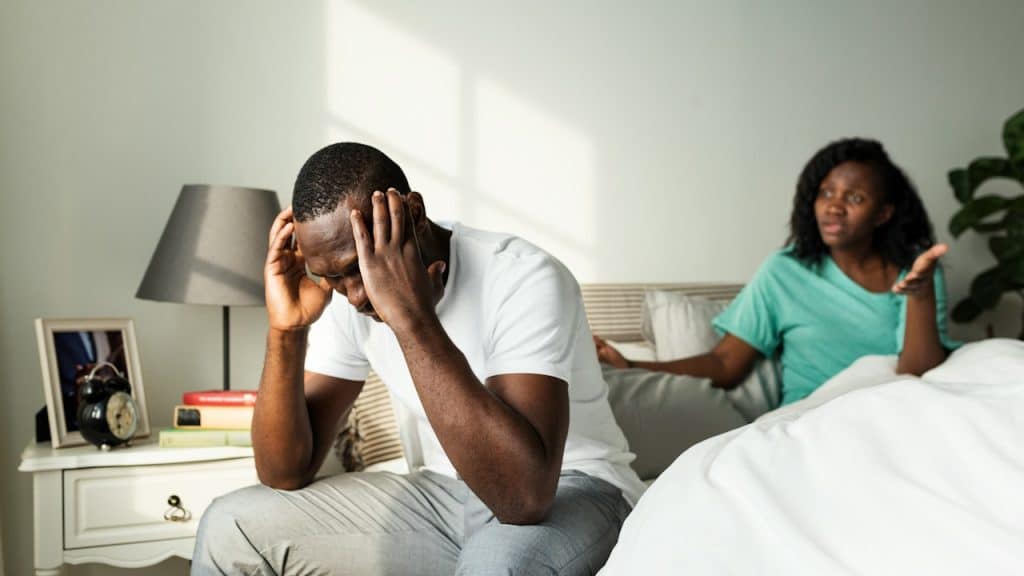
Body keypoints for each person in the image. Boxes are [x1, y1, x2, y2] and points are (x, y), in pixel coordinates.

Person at [192, 142, 644, 575]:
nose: (353, 295)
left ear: (414, 213)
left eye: (357, 268)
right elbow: (284, 471)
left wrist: (411, 318)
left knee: (498, 565)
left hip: (576, 487)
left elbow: (524, 497)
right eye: (330, 277)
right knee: (229, 526)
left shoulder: (523, 276)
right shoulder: (346, 296)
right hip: (443, 495)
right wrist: (286, 332)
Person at [596, 138, 959, 406]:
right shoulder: (785, 271)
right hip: (818, 419)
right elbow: (725, 363)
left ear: (883, 214)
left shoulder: (918, 271)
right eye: (825, 193)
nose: (833, 207)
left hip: (898, 412)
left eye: (855, 198)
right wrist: (631, 364)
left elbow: (918, 373)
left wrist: (921, 295)